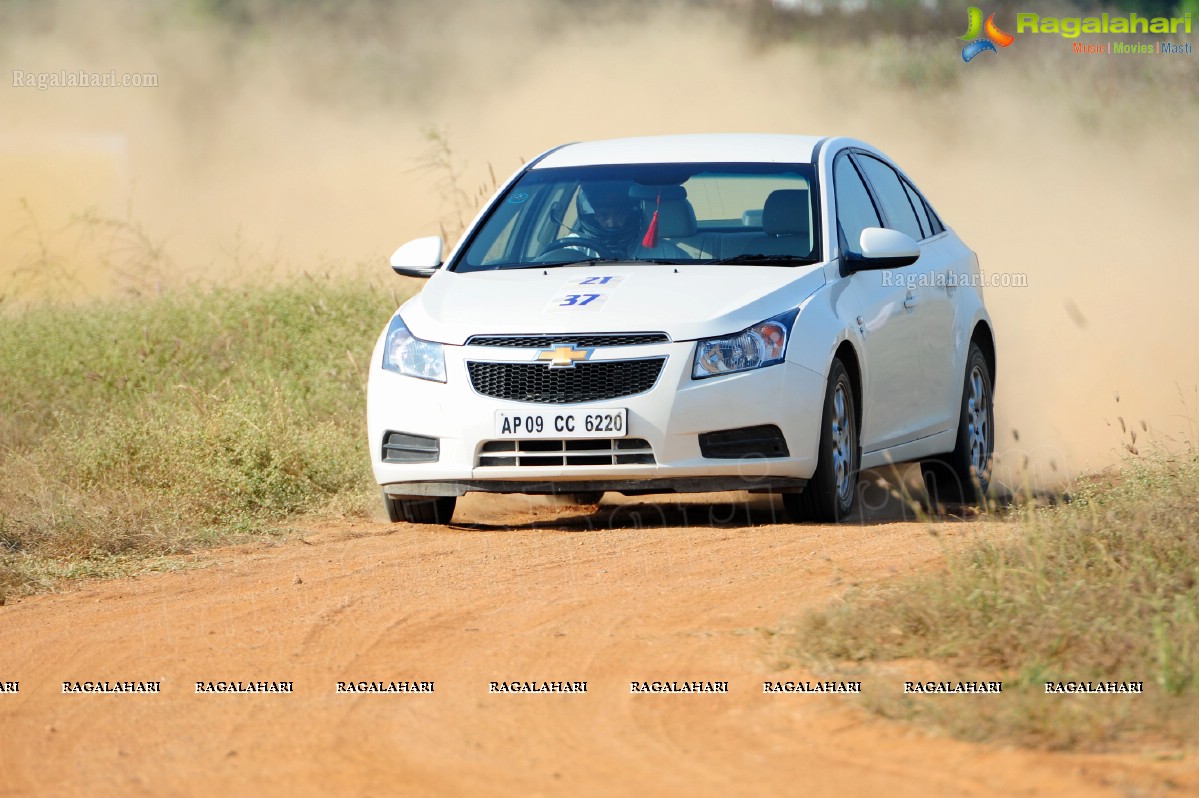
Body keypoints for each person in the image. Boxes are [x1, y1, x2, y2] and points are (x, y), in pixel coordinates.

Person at [571, 182, 643, 258]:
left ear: (631, 215)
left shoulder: (647, 243)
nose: (612, 224)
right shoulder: (577, 244)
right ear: (592, 218)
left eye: (619, 215)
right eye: (603, 215)